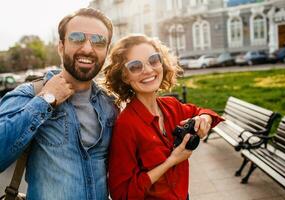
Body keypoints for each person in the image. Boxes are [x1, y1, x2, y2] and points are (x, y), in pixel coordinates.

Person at [0, 8, 118, 200]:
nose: (88, 48)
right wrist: (46, 100)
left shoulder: (110, 105)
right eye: (77, 38)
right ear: (61, 47)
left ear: (107, 50)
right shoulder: (30, 95)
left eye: (98, 41)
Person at [104, 34, 224, 199]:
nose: (148, 70)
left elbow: (205, 112)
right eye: (135, 66)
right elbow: (122, 194)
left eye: (153, 60)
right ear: (125, 76)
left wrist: (204, 119)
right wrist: (171, 161)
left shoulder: (172, 105)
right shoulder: (126, 125)